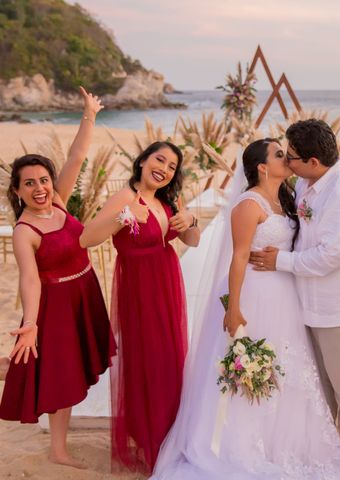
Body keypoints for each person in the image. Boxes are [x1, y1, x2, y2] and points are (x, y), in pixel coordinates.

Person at [151, 138, 340, 479]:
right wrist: (234, 308)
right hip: (254, 293)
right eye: (280, 154)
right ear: (262, 167)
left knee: (288, 364)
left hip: (286, 294)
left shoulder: (288, 197)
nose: (289, 158)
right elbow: (239, 257)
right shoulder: (248, 204)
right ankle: (242, 442)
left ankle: (285, 440)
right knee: (251, 364)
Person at [249, 119, 340, 460]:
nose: (286, 161)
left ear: (313, 162)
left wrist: (281, 261)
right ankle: (328, 433)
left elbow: (331, 256)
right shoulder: (311, 182)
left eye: (291, 156)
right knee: (322, 376)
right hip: (313, 300)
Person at [0, 88, 115, 469]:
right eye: (29, 183)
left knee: (77, 367)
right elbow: (29, 281)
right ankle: (59, 450)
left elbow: (77, 156)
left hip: (85, 290)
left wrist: (89, 114)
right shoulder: (24, 231)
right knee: (60, 377)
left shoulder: (60, 201)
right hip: (56, 307)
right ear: (16, 191)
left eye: (43, 179)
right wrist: (30, 324)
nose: (39, 188)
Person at [80, 141, 200, 473]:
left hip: (167, 285)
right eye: (159, 159)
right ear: (144, 160)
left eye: (172, 166)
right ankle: (149, 441)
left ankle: (168, 438)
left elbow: (193, 240)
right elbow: (87, 238)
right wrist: (124, 216)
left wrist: (190, 219)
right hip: (139, 289)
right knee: (147, 360)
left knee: (170, 359)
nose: (164, 168)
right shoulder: (125, 197)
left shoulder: (167, 201)